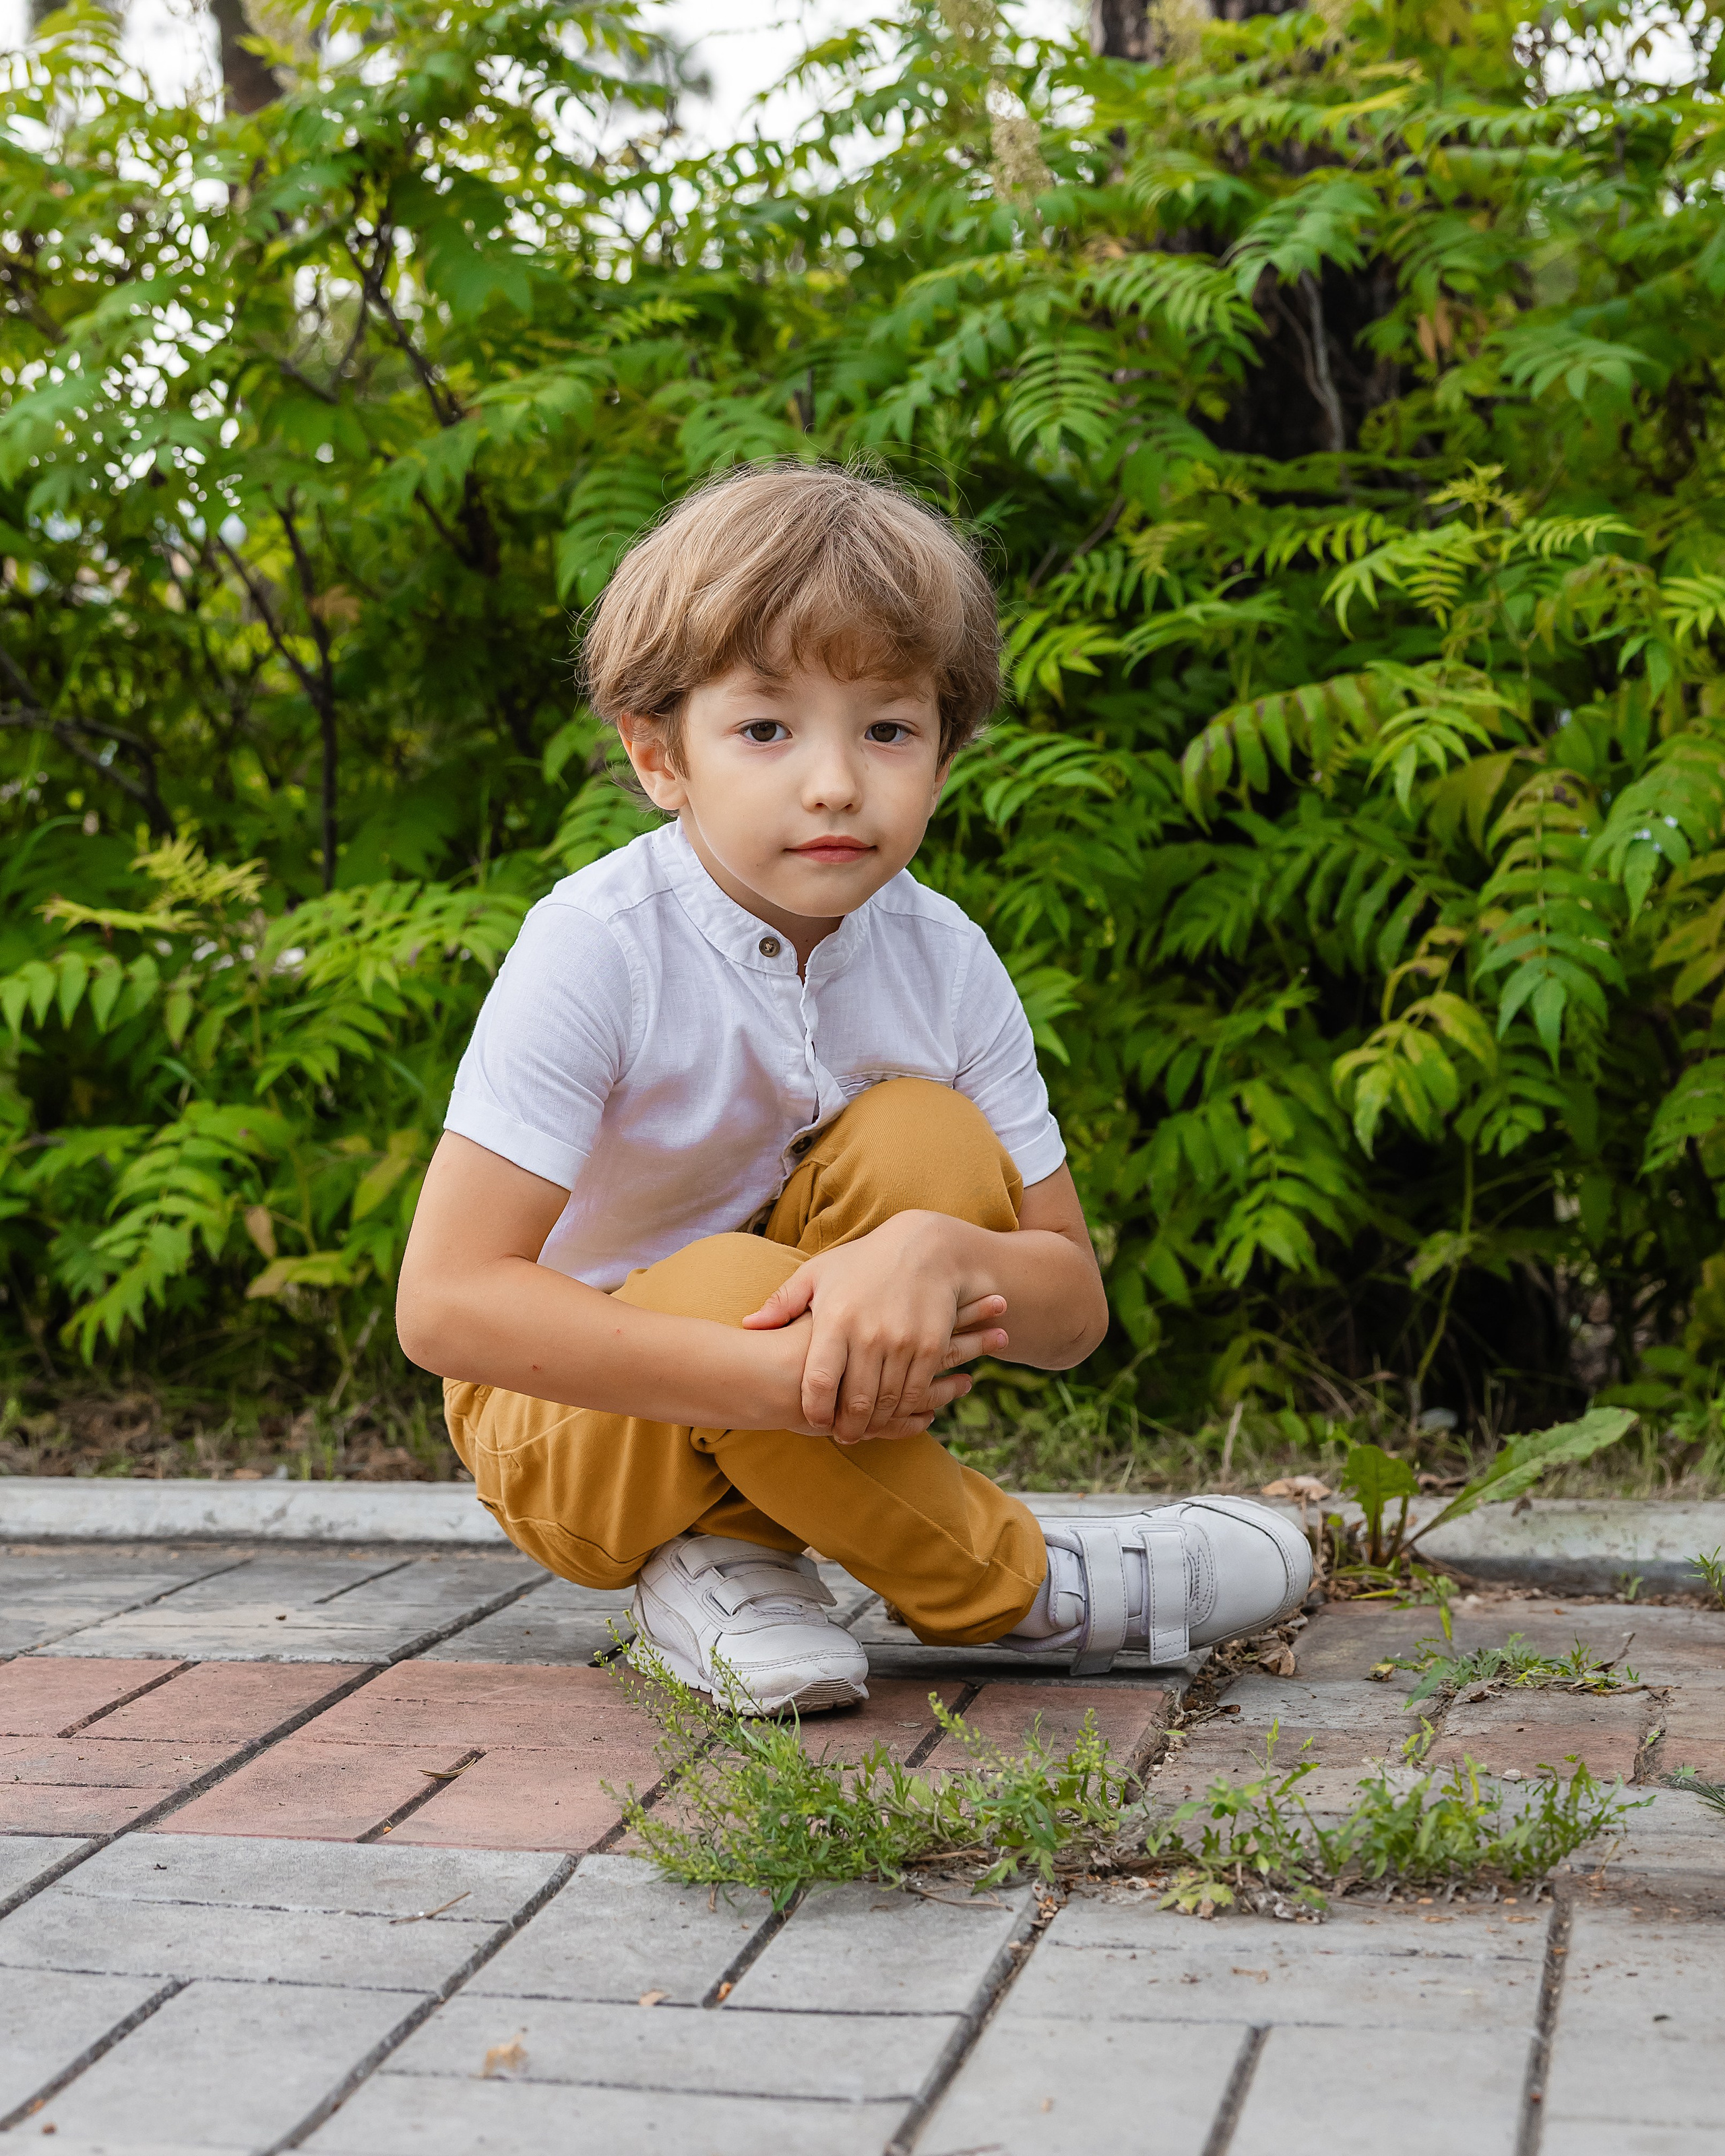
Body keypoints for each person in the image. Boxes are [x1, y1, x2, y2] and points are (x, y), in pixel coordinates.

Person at [396, 462, 1310, 1714]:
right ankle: (1032, 1591)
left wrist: (942, 1254)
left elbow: (1069, 1315)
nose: (834, 783)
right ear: (660, 757)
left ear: (945, 754)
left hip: (789, 1383)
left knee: (927, 1140)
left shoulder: (945, 957)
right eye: (766, 730)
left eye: (887, 730)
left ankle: (732, 1571)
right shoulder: (599, 945)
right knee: (740, 1290)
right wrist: (773, 1384)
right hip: (564, 1427)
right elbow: (445, 1308)